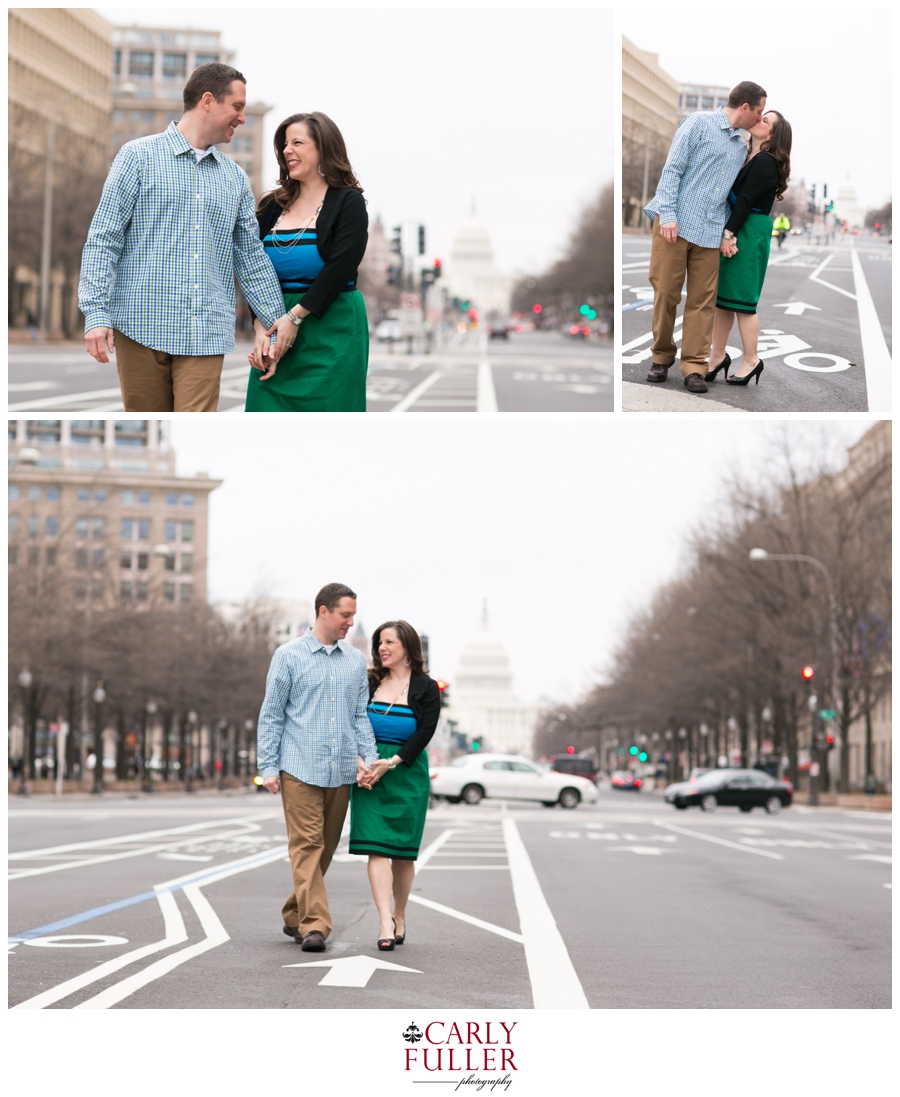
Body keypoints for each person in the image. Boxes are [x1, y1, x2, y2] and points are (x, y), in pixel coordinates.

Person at [78, 63, 298, 413]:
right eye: (237, 107)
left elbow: (250, 257)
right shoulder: (137, 157)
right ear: (208, 101)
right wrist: (95, 312)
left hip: (205, 332)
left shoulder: (235, 179)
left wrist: (272, 324)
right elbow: (104, 238)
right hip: (139, 325)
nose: (242, 118)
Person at [256, 583, 379, 952]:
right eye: (345, 615)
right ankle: (316, 926)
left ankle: (295, 913)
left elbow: (359, 716)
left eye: (353, 615)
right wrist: (268, 767)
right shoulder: (288, 656)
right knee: (307, 845)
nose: (350, 622)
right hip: (298, 767)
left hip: (340, 769)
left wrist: (370, 761)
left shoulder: (355, 661)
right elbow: (271, 715)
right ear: (323, 612)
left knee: (323, 848)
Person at [642, 81, 767, 394]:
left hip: (710, 233)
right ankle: (661, 357)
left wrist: (727, 234)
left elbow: (727, 196)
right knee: (666, 294)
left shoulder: (741, 146)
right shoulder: (698, 123)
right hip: (676, 224)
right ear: (745, 108)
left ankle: (694, 367)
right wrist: (668, 215)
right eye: (760, 111)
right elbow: (672, 171)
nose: (760, 117)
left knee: (702, 303)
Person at [245, 112, 369, 412]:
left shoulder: (348, 202)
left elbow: (339, 268)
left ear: (324, 149)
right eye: (285, 144)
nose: (287, 150)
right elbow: (253, 269)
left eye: (297, 142)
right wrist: (261, 329)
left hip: (332, 329)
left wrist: (296, 318)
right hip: (275, 325)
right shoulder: (270, 205)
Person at [349, 621, 441, 951]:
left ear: (407, 648)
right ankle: (384, 921)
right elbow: (354, 723)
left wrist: (392, 763)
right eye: (379, 643)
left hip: (405, 772)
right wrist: (361, 762)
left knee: (402, 855)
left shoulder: (427, 688)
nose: (382, 648)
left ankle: (400, 914)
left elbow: (423, 734)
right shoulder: (369, 680)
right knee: (376, 849)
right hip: (370, 771)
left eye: (389, 642)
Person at [707, 111, 792, 388]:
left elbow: (744, 201)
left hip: (749, 229)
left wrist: (729, 234)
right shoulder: (748, 155)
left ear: (772, 136)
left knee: (744, 302)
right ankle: (717, 356)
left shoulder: (765, 162)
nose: (759, 120)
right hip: (740, 225)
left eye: (766, 121)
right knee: (724, 299)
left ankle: (752, 359)